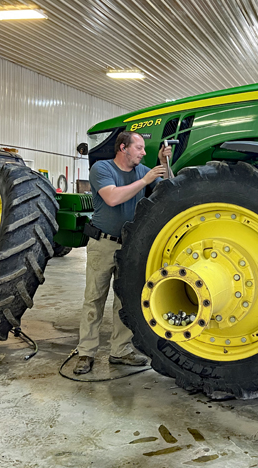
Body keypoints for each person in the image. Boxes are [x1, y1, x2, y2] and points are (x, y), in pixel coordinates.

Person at [73, 131, 172, 374]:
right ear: (123, 148)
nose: (143, 152)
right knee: (94, 298)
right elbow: (113, 198)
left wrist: (163, 164)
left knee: (124, 300)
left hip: (130, 245)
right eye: (139, 147)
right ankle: (86, 352)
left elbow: (170, 187)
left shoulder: (143, 170)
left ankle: (120, 350)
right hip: (103, 243)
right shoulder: (102, 169)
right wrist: (146, 180)